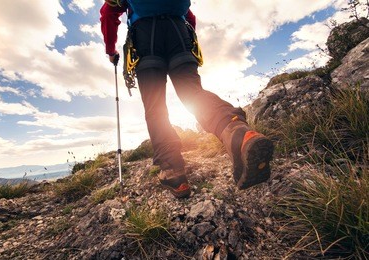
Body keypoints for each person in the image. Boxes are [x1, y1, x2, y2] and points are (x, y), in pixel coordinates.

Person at [100, 0, 274, 199]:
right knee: (193, 93)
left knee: (155, 107)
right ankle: (238, 133)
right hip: (179, 32)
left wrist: (110, 50)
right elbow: (189, 17)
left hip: (145, 36)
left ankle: (174, 173)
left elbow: (108, 12)